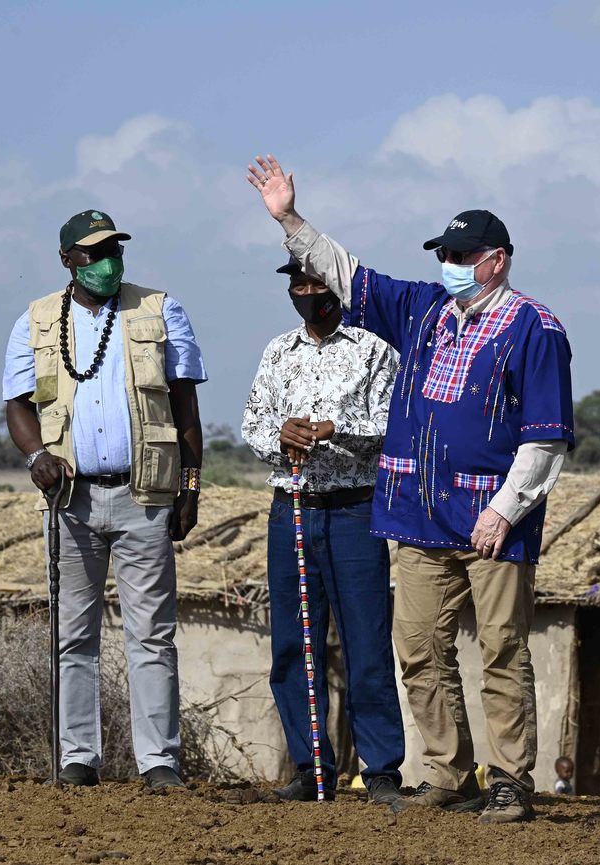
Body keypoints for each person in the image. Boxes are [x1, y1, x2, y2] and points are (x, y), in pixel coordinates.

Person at [247, 154, 575, 824]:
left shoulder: (535, 329)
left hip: (490, 520)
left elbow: (545, 438)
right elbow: (349, 274)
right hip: (417, 516)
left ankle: (510, 776)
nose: (449, 262)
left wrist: (505, 510)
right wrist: (290, 219)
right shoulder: (424, 308)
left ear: (499, 260)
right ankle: (449, 771)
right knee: (421, 649)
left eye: (462, 253)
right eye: (444, 252)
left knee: (503, 649)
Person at [2, 210, 206, 790]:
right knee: (74, 634)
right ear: (69, 260)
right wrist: (35, 456)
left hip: (145, 495)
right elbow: (19, 404)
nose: (109, 261)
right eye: (95, 253)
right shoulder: (37, 321)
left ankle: (160, 761)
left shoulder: (159, 308)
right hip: (71, 499)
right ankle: (78, 758)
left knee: (152, 634)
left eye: (115, 249)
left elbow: (186, 407)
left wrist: (188, 489)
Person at [242, 256, 404, 805]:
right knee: (295, 645)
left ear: (336, 288)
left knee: (366, 640)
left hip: (355, 510)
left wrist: (339, 430)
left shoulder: (374, 350)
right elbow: (252, 423)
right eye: (297, 284)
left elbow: (390, 426)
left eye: (316, 282)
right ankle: (312, 769)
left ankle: (381, 771)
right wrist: (280, 433)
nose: (307, 292)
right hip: (290, 506)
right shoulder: (276, 352)